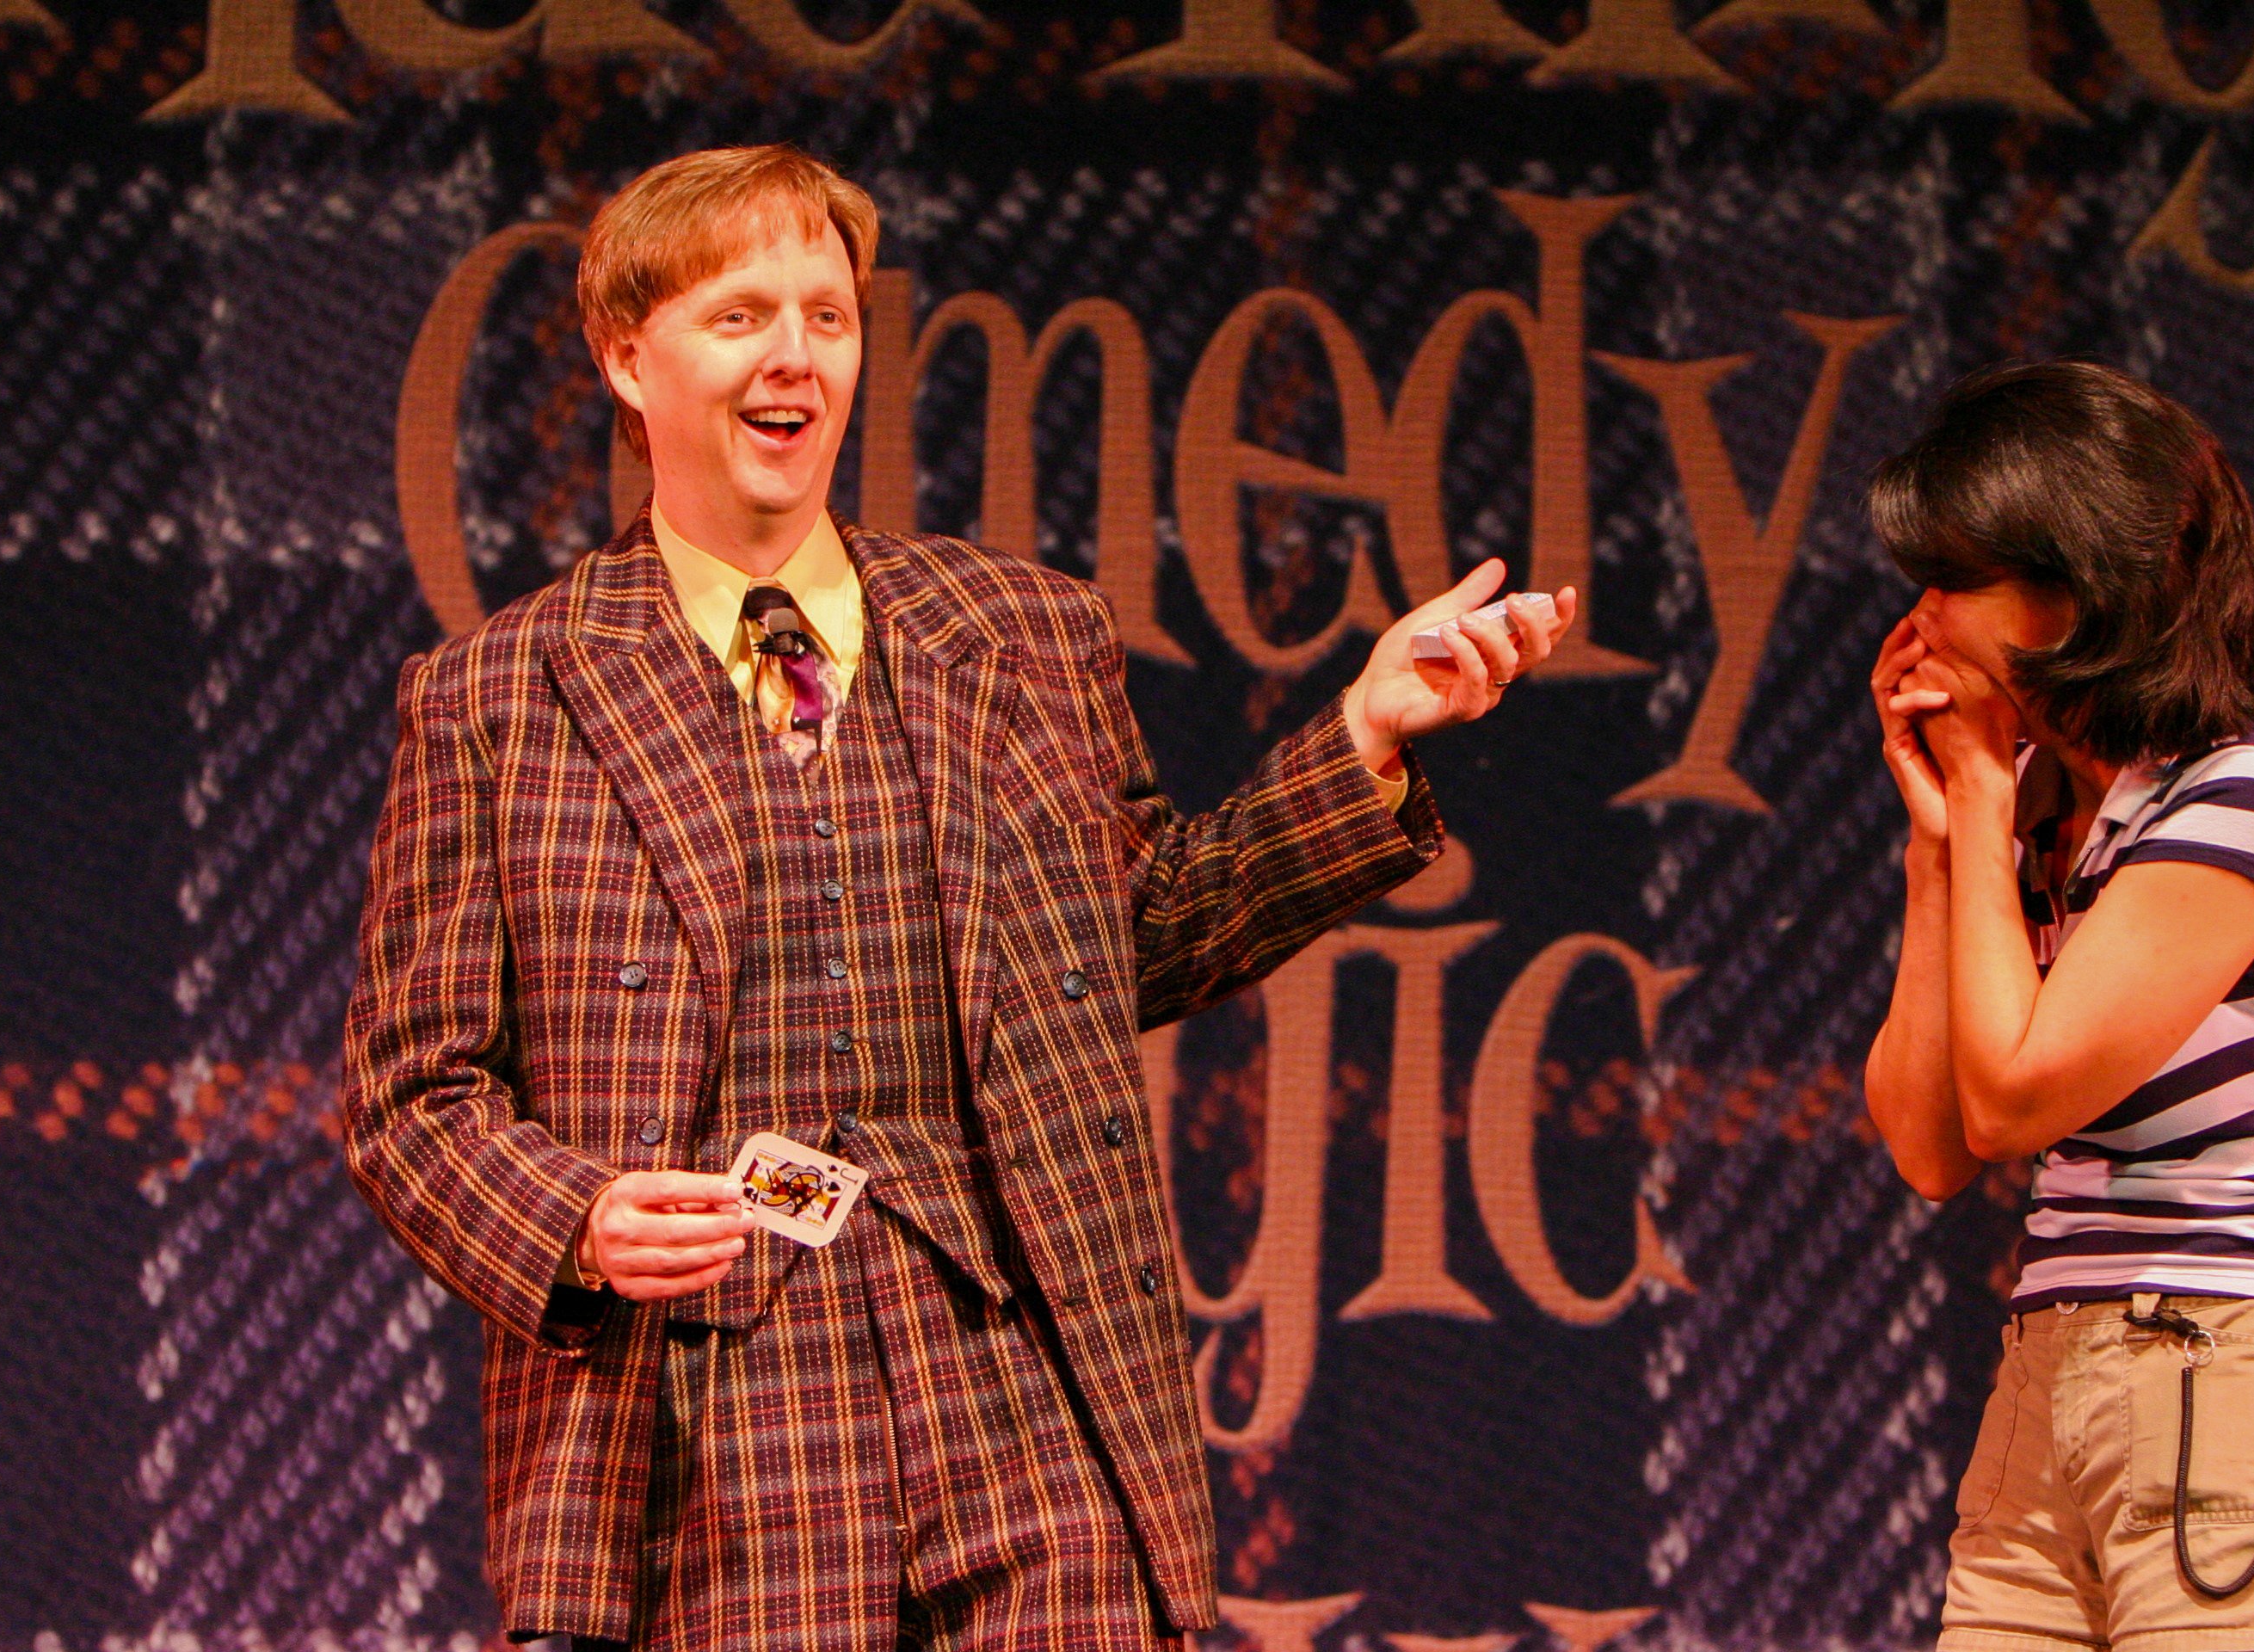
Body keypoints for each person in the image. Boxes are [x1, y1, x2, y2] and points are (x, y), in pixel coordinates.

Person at [339, 144, 1574, 1651]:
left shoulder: (1023, 634)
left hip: (1026, 1396)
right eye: (739, 316)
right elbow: (413, 1097)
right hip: (709, 1437)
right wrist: (579, 1223)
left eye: (828, 315)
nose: (795, 357)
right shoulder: (500, 695)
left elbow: (1145, 937)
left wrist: (1364, 737)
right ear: (625, 358)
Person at [1859, 361, 2254, 1652]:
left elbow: (2015, 1100)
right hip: (2052, 1367)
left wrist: (1980, 793)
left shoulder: (2240, 798)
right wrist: (1943, 845)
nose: (1920, 619)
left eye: (1958, 579)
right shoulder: (2039, 808)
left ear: (2081, 592)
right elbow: (1930, 1146)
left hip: (2232, 1362)